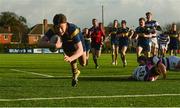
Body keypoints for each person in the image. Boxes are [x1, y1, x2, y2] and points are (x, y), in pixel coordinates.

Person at [38, 13, 86, 87]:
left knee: (83, 63)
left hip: (78, 42)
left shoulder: (72, 29)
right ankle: (75, 73)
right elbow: (40, 43)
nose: (59, 30)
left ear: (66, 24)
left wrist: (71, 58)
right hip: (66, 42)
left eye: (61, 27)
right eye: (57, 28)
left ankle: (77, 69)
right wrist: (54, 45)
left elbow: (80, 50)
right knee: (70, 55)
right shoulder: (53, 30)